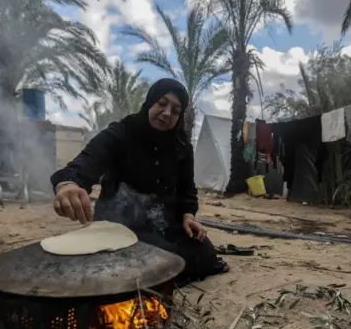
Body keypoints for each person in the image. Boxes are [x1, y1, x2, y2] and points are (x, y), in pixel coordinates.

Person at [50, 78, 229, 285]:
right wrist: (70, 183)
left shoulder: (182, 146)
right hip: (119, 224)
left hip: (163, 222)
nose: (167, 113)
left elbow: (187, 189)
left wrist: (188, 216)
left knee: (204, 251)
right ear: (150, 102)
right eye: (162, 104)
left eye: (175, 110)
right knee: (161, 258)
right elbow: (91, 158)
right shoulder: (122, 132)